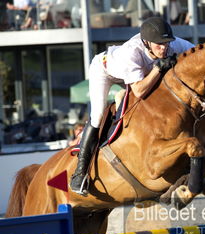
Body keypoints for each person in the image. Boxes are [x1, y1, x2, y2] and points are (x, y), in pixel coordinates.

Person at [70, 16, 194, 195]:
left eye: (166, 43)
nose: (164, 48)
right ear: (146, 42)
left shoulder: (171, 44)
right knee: (97, 115)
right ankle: (80, 172)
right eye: (159, 44)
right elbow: (139, 91)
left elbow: (198, 52)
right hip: (104, 71)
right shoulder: (132, 52)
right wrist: (158, 68)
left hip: (134, 75)